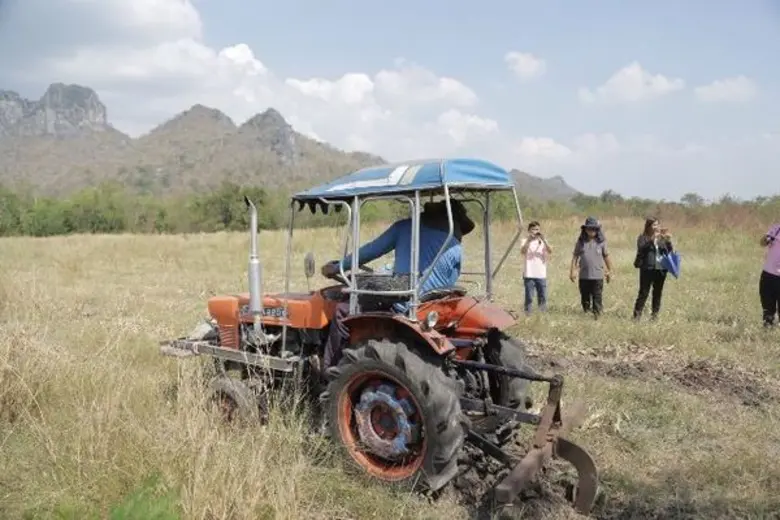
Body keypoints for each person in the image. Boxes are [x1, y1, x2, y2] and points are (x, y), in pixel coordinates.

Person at [320, 199, 475, 368]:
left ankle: (329, 369)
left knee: (342, 310)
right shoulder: (455, 245)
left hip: (406, 305)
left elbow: (370, 251)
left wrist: (337, 267)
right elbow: (450, 280)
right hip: (435, 308)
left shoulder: (405, 227)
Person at [569, 216, 613, 319]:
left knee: (597, 296)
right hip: (584, 276)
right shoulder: (580, 242)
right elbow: (575, 257)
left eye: (594, 229)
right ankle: (586, 313)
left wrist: (610, 271)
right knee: (585, 297)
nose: (592, 231)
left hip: (597, 276)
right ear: (585, 229)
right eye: (589, 228)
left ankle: (597, 315)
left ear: (598, 230)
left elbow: (606, 257)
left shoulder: (601, 242)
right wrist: (572, 271)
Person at [632, 217, 674, 321]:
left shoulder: (662, 238)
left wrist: (668, 241)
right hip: (647, 268)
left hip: (660, 269)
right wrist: (652, 240)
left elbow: (669, 252)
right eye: (654, 225)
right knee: (643, 293)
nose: (657, 227)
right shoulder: (643, 237)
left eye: (658, 224)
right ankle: (636, 316)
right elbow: (641, 249)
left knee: (657, 293)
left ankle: (654, 316)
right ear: (649, 226)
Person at [519, 220, 552, 314]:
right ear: (529, 230)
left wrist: (544, 240)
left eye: (537, 229)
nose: (535, 231)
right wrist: (529, 241)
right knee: (529, 296)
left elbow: (550, 251)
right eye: (533, 229)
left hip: (541, 274)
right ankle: (528, 314)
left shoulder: (542, 241)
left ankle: (542, 314)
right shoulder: (524, 240)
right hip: (529, 273)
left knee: (542, 296)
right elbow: (522, 251)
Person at [759, 222, 780, 328]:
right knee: (767, 310)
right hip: (768, 274)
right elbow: (762, 243)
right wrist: (766, 239)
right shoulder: (777, 228)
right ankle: (767, 329)